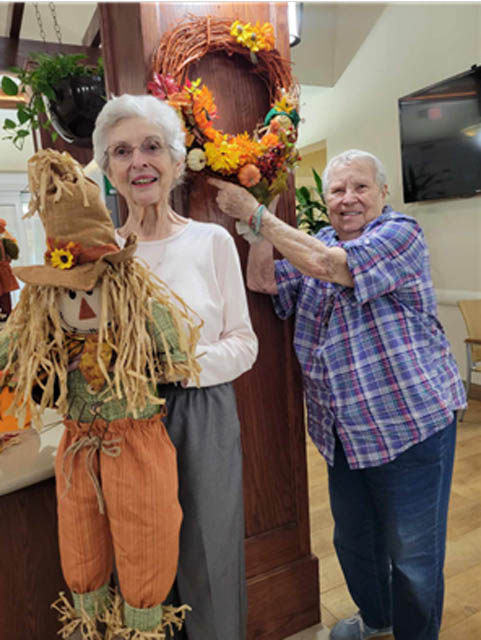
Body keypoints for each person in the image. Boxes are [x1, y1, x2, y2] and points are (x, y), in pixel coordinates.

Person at [209, 149, 467, 640]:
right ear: (325, 200)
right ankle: (377, 622)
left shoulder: (400, 233)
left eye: (360, 187)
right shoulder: (317, 241)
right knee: (355, 543)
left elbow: (331, 267)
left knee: (414, 556)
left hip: (410, 427)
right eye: (337, 190)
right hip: (342, 434)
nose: (348, 199)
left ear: (383, 193)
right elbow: (263, 279)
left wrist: (257, 213)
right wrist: (258, 230)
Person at [0, 149, 200, 640]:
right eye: (70, 292)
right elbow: (13, 350)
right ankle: (90, 626)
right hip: (77, 447)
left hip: (136, 441)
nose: (83, 304)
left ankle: (143, 631)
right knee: (81, 546)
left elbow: (175, 351)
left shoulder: (139, 318)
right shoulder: (48, 329)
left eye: (91, 287)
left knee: (146, 540)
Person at [92, 94, 258, 640]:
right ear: (110, 169)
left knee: (209, 553)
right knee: (140, 561)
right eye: (121, 151)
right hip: (123, 422)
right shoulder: (97, 258)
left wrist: (183, 366)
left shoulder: (211, 242)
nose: (138, 160)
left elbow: (243, 342)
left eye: (151, 146)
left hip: (201, 413)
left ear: (175, 161)